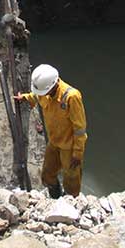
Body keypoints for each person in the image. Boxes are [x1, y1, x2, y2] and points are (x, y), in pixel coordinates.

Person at [14, 64, 87, 197]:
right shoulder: (45, 92)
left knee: (71, 181)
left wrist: (77, 153)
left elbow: (80, 129)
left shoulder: (71, 97)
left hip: (69, 147)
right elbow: (36, 96)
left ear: (53, 86)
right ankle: (55, 199)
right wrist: (25, 97)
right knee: (47, 176)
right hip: (54, 143)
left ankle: (72, 205)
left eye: (44, 92)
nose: (43, 95)